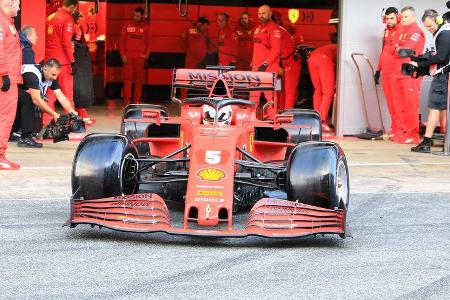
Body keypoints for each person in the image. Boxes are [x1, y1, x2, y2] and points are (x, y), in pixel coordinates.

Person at [410, 9, 450, 153]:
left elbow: (441, 57)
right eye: (426, 27)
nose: (429, 29)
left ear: (437, 20)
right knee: (443, 109)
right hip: (442, 75)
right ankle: (446, 140)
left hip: (443, 76)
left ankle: (426, 142)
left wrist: (419, 65)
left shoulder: (444, 33)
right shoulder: (440, 33)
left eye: (430, 25)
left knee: (434, 107)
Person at [17, 58, 77, 147]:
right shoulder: (32, 74)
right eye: (53, 74)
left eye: (56, 75)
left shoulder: (50, 77)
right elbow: (36, 99)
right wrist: (54, 114)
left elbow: (60, 96)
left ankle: (14, 132)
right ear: (45, 69)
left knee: (35, 101)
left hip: (16, 91)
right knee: (30, 100)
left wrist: (72, 112)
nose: (55, 78)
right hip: (6, 88)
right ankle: (25, 137)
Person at [391, 6, 425, 144]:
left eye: (406, 17)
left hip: (410, 72)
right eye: (402, 17)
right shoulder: (400, 30)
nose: (403, 19)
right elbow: (393, 46)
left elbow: (404, 51)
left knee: (411, 104)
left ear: (413, 17)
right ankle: (403, 131)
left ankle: (413, 134)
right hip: (399, 71)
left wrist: (399, 47)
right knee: (400, 104)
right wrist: (399, 47)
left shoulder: (416, 31)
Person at [45, 0, 78, 125]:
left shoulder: (50, 17)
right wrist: (72, 61)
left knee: (49, 95)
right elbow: (66, 42)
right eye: (75, 8)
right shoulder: (68, 18)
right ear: (72, 7)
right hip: (62, 63)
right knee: (67, 94)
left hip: (49, 61)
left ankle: (45, 125)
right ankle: (72, 124)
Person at [0, 0, 21, 170]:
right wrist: (4, 74)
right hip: (6, 77)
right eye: (18, 4)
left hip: (7, 74)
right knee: (5, 117)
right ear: (11, 3)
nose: (20, 8)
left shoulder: (7, 22)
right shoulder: (2, 22)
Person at [250, 5, 281, 119]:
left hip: (269, 68)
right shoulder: (258, 28)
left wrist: (265, 63)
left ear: (270, 13)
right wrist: (254, 63)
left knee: (270, 95)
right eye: (259, 13)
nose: (260, 16)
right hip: (256, 67)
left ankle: (272, 119)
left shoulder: (274, 29)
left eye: (263, 13)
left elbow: (276, 50)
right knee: (253, 95)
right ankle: (251, 117)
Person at [375, 7, 401, 139]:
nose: (389, 21)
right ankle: (395, 128)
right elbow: (383, 50)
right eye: (387, 18)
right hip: (386, 72)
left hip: (396, 72)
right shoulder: (386, 31)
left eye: (392, 18)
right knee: (391, 103)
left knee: (398, 102)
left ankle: (401, 130)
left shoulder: (401, 31)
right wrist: (378, 70)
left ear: (398, 17)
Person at [119, 7, 149, 105]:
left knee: (138, 80)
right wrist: (123, 55)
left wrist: (146, 55)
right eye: (134, 15)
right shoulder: (127, 25)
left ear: (142, 16)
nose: (135, 17)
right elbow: (122, 42)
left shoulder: (146, 27)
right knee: (127, 79)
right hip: (128, 57)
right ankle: (127, 100)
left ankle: (137, 100)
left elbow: (149, 43)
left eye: (137, 15)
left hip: (140, 58)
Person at [272, 11, 302, 111]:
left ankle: (287, 114)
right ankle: (280, 110)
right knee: (279, 89)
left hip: (291, 62)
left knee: (289, 90)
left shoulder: (278, 30)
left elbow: (275, 50)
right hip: (282, 63)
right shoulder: (277, 30)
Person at [308, 43, 337, 132]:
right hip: (323, 59)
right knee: (328, 92)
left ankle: (316, 120)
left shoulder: (332, 47)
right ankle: (322, 121)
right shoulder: (342, 49)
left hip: (311, 58)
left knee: (318, 91)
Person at [72, 11, 95, 125]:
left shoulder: (79, 27)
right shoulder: (71, 27)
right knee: (78, 87)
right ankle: (79, 116)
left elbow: (82, 42)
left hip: (80, 58)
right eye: (80, 18)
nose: (81, 21)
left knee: (82, 86)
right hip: (75, 59)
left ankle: (82, 114)